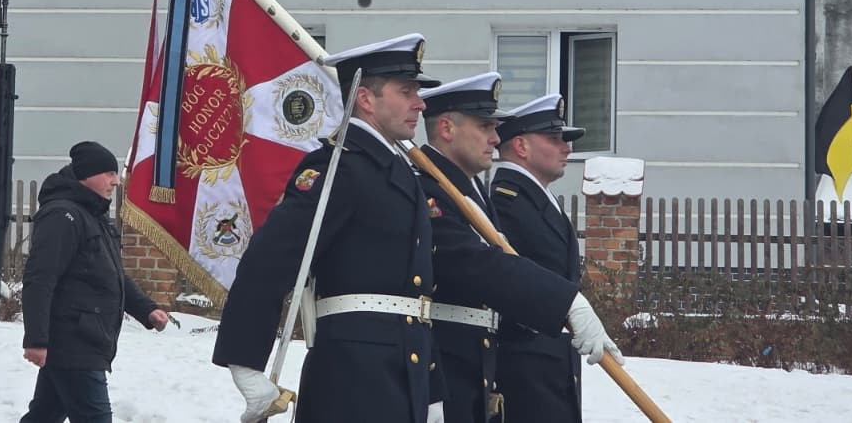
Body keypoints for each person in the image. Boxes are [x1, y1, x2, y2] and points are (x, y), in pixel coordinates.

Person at [215, 33, 447, 423]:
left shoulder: (399, 172)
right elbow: (271, 258)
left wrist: (431, 386)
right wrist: (245, 362)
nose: (419, 104)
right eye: (406, 91)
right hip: (353, 379)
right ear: (366, 99)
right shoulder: (337, 167)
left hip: (400, 376)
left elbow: (414, 296)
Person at [414, 73, 617, 423]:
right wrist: (565, 301)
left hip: (482, 373)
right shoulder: (432, 191)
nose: (496, 138)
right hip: (452, 370)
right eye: (485, 126)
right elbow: (478, 265)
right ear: (447, 129)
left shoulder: (469, 191)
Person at [20, 140, 169, 423]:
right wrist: (36, 339)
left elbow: (113, 275)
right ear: (87, 175)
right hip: (75, 340)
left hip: (85, 339)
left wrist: (146, 310)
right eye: (109, 174)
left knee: (44, 415)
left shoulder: (93, 215)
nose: (116, 181)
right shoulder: (63, 216)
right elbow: (40, 279)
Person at [490, 94, 587, 423]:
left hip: (551, 365)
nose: (567, 148)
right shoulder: (507, 200)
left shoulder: (538, 199)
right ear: (521, 146)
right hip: (524, 366)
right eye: (555, 139)